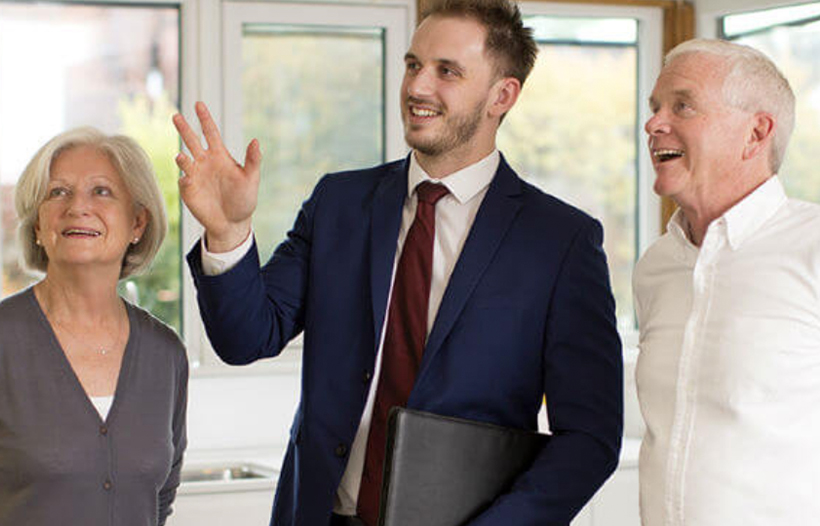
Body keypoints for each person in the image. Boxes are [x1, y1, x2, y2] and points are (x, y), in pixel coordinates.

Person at [174, 0, 622, 524]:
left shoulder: (560, 242)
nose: (417, 88)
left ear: (503, 95)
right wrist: (227, 233)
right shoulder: (338, 203)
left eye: (446, 71)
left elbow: (589, 439)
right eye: (413, 65)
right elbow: (246, 337)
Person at [634, 38, 820, 525]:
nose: (653, 124)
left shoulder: (813, 248)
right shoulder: (655, 267)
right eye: (655, 108)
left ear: (756, 133)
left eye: (683, 105)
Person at [0, 127, 188, 526]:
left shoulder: (165, 353)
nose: (77, 207)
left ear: (137, 223)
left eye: (101, 191)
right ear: (37, 225)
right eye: (58, 192)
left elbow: (160, 498)